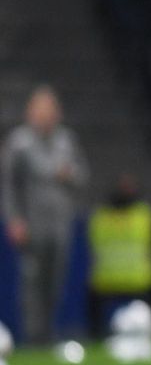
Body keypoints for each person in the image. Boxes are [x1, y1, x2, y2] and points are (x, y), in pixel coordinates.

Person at [1, 85, 89, 346]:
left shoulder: (66, 140)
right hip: (32, 223)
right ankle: (34, 336)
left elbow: (83, 176)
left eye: (50, 109)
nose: (46, 115)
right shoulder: (19, 143)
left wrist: (69, 174)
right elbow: (9, 185)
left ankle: (48, 333)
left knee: (54, 282)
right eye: (41, 109)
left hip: (59, 224)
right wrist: (14, 219)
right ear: (31, 112)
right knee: (32, 282)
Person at [86, 173, 151, 340]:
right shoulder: (143, 215)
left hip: (105, 281)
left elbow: (92, 250)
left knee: (91, 297)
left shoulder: (99, 217)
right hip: (139, 281)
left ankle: (95, 336)